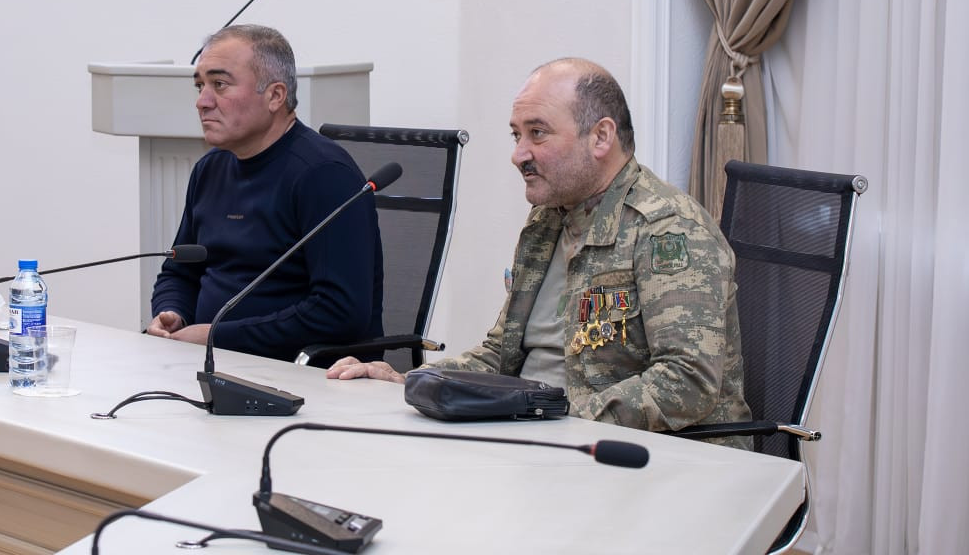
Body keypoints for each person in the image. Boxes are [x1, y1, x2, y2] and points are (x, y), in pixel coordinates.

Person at [328, 57, 750, 437]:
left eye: (538, 134)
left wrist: (553, 418)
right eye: (517, 135)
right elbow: (502, 355)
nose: (518, 155)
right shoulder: (547, 220)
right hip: (540, 439)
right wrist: (412, 381)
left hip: (644, 458)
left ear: (601, 136)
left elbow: (686, 381)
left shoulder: (667, 229)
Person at [146, 25, 384, 361]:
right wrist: (173, 313)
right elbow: (179, 271)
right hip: (210, 361)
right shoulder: (210, 169)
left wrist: (217, 336)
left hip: (300, 372)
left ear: (275, 96)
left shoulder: (324, 175)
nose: (202, 102)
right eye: (200, 86)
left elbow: (339, 312)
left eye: (219, 85)